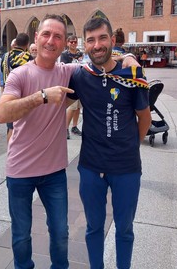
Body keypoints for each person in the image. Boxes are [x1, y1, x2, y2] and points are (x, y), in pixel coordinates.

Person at [0, 14, 139, 268]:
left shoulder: (70, 71)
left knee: (61, 233)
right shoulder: (19, 75)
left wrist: (127, 58)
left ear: (66, 45)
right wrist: (40, 96)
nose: (51, 41)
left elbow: (101, 61)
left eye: (58, 37)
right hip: (19, 170)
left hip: (54, 172)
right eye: (46, 35)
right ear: (37, 38)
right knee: (20, 235)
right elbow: (2, 113)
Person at [67, 17, 151, 269]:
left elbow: (144, 118)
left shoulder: (132, 74)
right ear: (85, 45)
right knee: (93, 227)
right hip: (91, 166)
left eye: (102, 38)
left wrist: (129, 145)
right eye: (90, 40)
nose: (97, 45)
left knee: (125, 228)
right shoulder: (80, 76)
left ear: (113, 41)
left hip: (126, 167)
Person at [1, 33, 33, 142]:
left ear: (15, 43)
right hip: (23, 95)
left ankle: (10, 154)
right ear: (27, 44)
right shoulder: (28, 57)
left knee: (10, 127)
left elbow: (2, 72)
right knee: (23, 126)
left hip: (8, 94)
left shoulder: (5, 56)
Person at [60, 35, 83, 139]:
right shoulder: (65, 54)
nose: (73, 44)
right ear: (68, 43)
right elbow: (63, 69)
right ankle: (65, 128)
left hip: (80, 82)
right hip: (70, 82)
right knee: (72, 107)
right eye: (71, 42)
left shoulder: (80, 53)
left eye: (75, 42)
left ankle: (74, 126)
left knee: (78, 107)